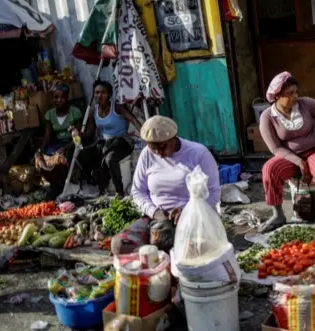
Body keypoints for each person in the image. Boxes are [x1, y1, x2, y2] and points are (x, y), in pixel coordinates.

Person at [114, 115, 221, 254]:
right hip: (158, 221)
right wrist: (154, 212)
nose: (158, 153)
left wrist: (188, 212)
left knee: (190, 250)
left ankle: (160, 254)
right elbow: (138, 191)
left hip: (194, 219)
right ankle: (155, 255)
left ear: (173, 138)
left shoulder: (198, 153)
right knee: (119, 244)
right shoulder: (147, 154)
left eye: (162, 146)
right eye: (153, 148)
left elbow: (214, 193)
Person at [258, 71, 315, 232]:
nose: (295, 96)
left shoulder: (306, 104)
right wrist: (299, 162)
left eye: (296, 92)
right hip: (289, 157)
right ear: (277, 96)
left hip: (314, 151)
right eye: (289, 93)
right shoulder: (267, 117)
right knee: (269, 168)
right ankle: (278, 214)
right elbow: (275, 148)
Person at [73, 80, 141, 197]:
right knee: (84, 155)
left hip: (122, 142)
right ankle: (101, 188)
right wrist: (77, 132)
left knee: (110, 159)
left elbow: (133, 120)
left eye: (103, 93)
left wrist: (145, 133)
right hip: (105, 143)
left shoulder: (117, 107)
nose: (99, 95)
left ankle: (119, 192)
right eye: (97, 93)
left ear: (109, 95)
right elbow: (90, 133)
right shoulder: (94, 110)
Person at [36, 83, 83, 198]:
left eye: (62, 97)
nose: (59, 100)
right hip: (56, 143)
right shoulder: (50, 114)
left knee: (64, 158)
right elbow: (48, 135)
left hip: (71, 142)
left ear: (67, 98)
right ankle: (55, 185)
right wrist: (41, 148)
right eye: (56, 97)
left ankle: (65, 185)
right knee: (43, 159)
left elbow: (78, 136)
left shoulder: (75, 112)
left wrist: (69, 146)